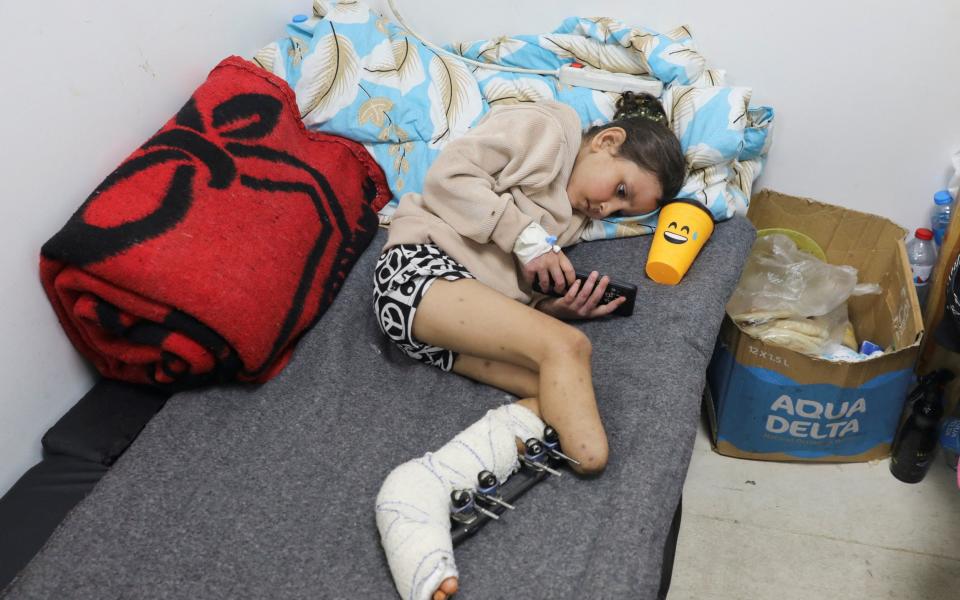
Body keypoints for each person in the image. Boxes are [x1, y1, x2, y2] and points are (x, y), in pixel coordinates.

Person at [372, 92, 686, 600]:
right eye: (621, 188)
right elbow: (448, 177)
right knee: (572, 353)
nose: (608, 207)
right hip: (419, 271)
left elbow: (504, 298)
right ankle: (593, 459)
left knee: (557, 391)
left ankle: (420, 487)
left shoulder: (576, 221)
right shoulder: (549, 130)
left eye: (624, 207)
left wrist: (552, 312)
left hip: (449, 319)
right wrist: (527, 239)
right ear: (607, 141)